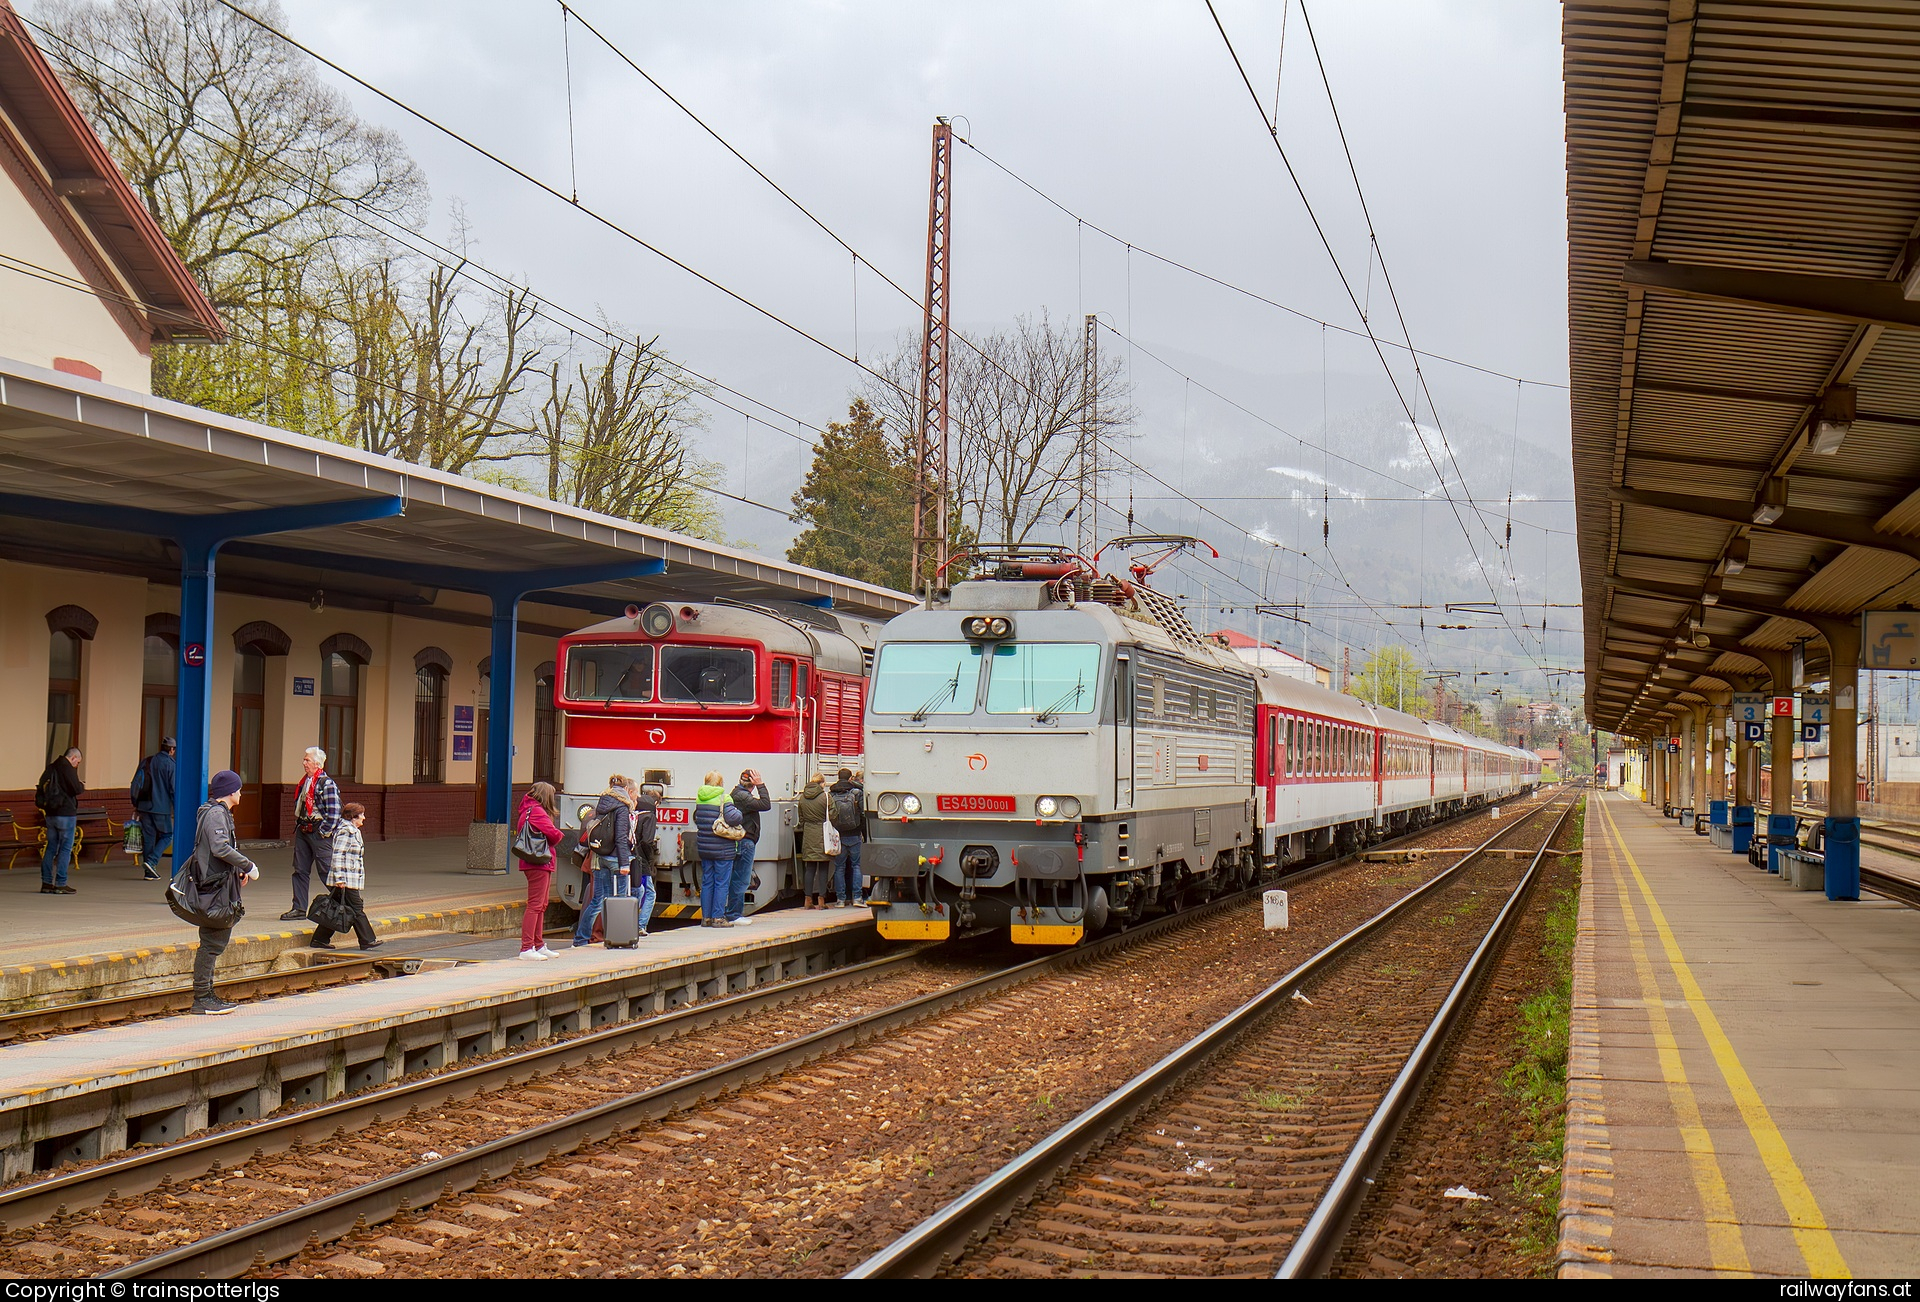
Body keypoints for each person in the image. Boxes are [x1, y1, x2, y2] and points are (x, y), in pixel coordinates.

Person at [186, 770, 259, 1015]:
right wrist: (247, 864)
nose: (240, 793)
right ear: (230, 791)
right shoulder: (217, 814)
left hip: (218, 883)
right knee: (212, 941)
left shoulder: (215, 812)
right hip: (214, 887)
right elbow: (219, 847)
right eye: (238, 789)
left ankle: (205, 995)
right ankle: (203, 997)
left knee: (213, 939)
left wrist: (237, 870)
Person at [571, 777, 635, 948]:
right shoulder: (622, 807)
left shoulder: (602, 803)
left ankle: (580, 938)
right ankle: (619, 938)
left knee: (597, 900)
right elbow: (621, 837)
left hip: (599, 858)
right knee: (620, 898)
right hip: (615, 858)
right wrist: (624, 864)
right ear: (626, 790)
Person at [312, 802, 382, 951]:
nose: (364, 817)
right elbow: (337, 855)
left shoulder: (352, 830)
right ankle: (367, 940)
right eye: (361, 814)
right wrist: (339, 879)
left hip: (348, 879)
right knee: (356, 908)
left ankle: (319, 939)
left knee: (335, 908)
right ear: (353, 817)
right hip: (345, 880)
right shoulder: (346, 831)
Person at [282, 747, 340, 921]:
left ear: (317, 763)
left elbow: (335, 812)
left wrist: (323, 832)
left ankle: (346, 903)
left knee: (326, 871)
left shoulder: (326, 783)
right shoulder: (305, 782)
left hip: (318, 830)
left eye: (307, 760)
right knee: (300, 870)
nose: (304, 763)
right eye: (304, 759)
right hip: (303, 829)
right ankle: (299, 908)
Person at [515, 782, 564, 960]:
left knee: (541, 905)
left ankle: (538, 944)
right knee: (535, 905)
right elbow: (554, 834)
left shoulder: (527, 810)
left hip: (535, 861)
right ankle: (527, 948)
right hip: (538, 862)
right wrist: (560, 834)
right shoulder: (536, 811)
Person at [692, 771, 739, 927]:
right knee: (721, 883)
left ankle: (706, 918)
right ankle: (718, 917)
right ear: (721, 783)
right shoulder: (724, 798)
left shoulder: (700, 798)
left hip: (705, 848)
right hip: (722, 849)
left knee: (707, 882)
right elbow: (734, 818)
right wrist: (739, 812)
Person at [36, 746, 83, 895]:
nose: (76, 765)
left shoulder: (50, 768)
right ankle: (61, 883)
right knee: (65, 848)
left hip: (50, 813)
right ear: (73, 757)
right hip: (66, 813)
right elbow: (76, 788)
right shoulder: (67, 768)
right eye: (78, 762)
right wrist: (82, 785)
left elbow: (40, 788)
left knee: (51, 847)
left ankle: (46, 882)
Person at [727, 769, 772, 925]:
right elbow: (766, 804)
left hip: (743, 841)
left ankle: (733, 913)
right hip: (745, 842)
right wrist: (761, 785)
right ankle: (734, 915)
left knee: (738, 877)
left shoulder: (740, 794)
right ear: (752, 784)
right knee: (741, 878)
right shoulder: (742, 796)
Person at [132, 737, 176, 882]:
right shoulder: (170, 764)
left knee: (149, 838)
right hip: (161, 807)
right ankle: (152, 861)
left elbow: (135, 783)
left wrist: (136, 804)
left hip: (144, 806)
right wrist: (176, 808)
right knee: (167, 835)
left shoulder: (147, 761)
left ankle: (149, 873)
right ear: (171, 749)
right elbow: (173, 789)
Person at [624, 777, 658, 939]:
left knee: (636, 889)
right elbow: (647, 841)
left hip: (632, 856)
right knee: (649, 892)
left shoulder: (633, 816)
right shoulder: (649, 817)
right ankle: (640, 925)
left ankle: (631, 923)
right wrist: (649, 857)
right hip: (642, 860)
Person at [828, 767, 866, 907]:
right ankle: (857, 898)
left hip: (838, 836)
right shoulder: (857, 792)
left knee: (839, 867)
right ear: (850, 778)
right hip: (855, 834)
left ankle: (840, 900)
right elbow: (863, 814)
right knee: (857, 866)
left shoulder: (831, 794)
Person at [797, 772, 831, 909]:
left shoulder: (802, 798)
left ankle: (808, 900)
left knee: (810, 868)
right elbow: (833, 814)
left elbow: (801, 818)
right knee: (823, 868)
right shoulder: (826, 797)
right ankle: (821, 900)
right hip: (823, 833)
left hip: (809, 834)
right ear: (822, 783)